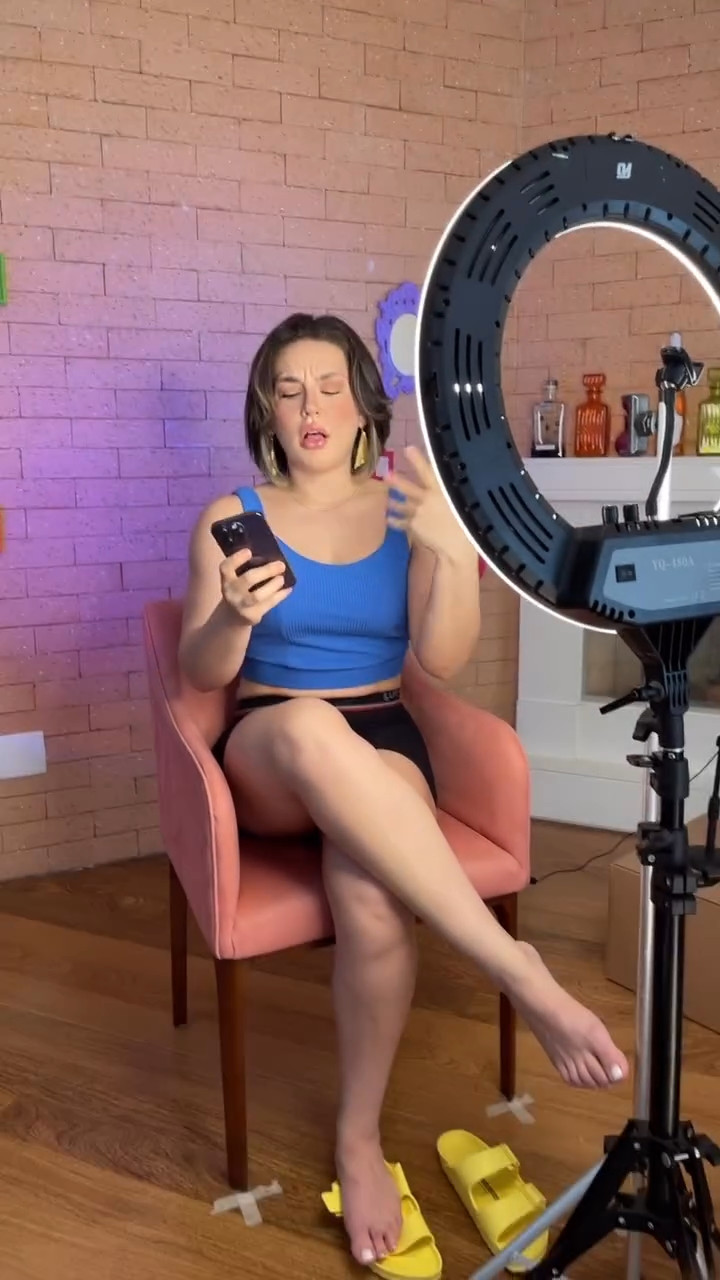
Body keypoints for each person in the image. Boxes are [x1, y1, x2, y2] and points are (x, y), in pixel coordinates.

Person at [179, 313, 629, 1269]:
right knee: (312, 726)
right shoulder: (230, 512)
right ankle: (517, 969)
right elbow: (203, 669)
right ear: (267, 410)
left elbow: (445, 658)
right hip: (272, 742)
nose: (310, 406)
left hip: (385, 732)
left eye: (329, 386)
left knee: (374, 899)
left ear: (362, 408)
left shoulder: (407, 505)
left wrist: (449, 548)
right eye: (288, 389)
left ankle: (358, 1136)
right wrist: (233, 615)